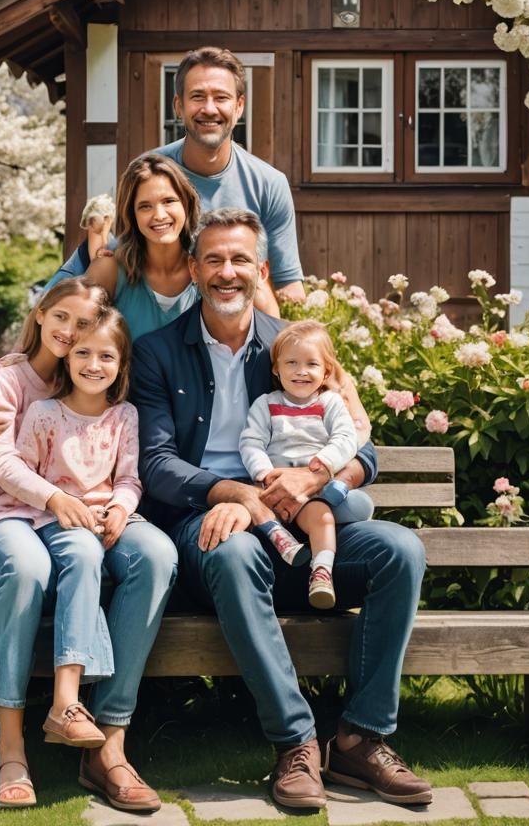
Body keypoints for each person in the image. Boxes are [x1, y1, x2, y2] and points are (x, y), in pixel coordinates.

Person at [130, 208, 432, 809]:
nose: (227, 272)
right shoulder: (157, 352)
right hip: (208, 519)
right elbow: (156, 464)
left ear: (261, 270)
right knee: (235, 553)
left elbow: (362, 450)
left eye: (240, 259)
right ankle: (296, 743)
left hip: (302, 517)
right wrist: (237, 494)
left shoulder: (295, 345)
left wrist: (314, 476)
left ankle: (360, 740)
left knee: (400, 550)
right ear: (193, 269)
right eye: (214, 259)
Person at [0, 278, 177, 811]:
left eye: (82, 326)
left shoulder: (89, 380)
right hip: (14, 513)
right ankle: (12, 749)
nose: (70, 333)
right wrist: (57, 499)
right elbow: (4, 463)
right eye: (62, 319)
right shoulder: (8, 379)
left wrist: (119, 507)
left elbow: (125, 472)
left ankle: (108, 741)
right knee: (30, 571)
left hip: (85, 515)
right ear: (40, 314)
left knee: (155, 555)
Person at [44, 47, 304, 308]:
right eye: (198, 97)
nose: (209, 108)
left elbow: (288, 285)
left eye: (221, 97)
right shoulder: (149, 171)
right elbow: (114, 255)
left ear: (239, 106)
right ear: (179, 106)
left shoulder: (270, 184)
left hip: (235, 322)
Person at [239, 320, 375, 609]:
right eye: (291, 363)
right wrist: (264, 473)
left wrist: (323, 464)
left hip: (315, 485)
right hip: (276, 484)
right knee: (257, 502)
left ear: (326, 371)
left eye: (312, 364)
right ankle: (280, 536)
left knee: (330, 513)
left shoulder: (330, 403)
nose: (301, 371)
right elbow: (251, 442)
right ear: (276, 369)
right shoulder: (266, 404)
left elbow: (346, 437)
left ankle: (321, 572)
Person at [86, 153, 201, 340]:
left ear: (186, 204)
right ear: (132, 215)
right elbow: (76, 336)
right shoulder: (108, 270)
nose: (159, 215)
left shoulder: (209, 266)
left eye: (169, 201)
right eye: (145, 206)